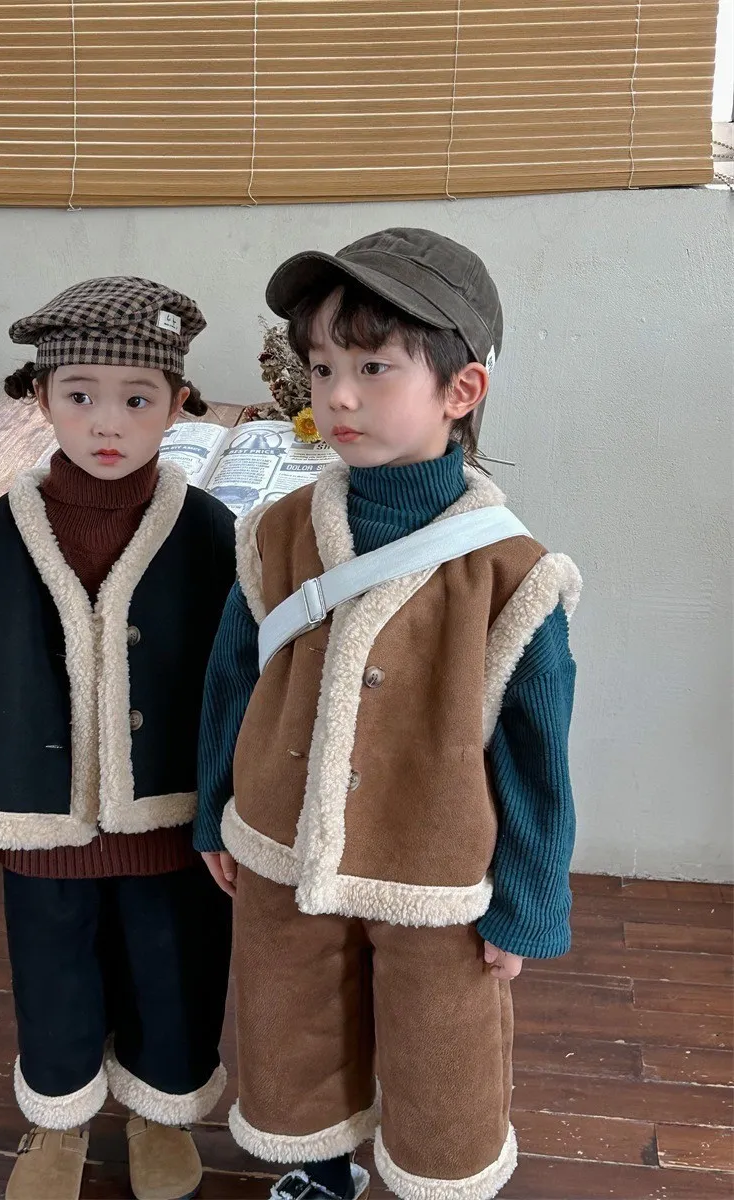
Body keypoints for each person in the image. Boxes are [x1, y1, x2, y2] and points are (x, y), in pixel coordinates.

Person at [196, 229, 581, 1200]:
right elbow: (230, 680)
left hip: (435, 870)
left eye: (373, 367)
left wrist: (530, 898)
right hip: (282, 843)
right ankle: (323, 1170)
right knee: (292, 1027)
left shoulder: (514, 576)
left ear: (461, 390)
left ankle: (433, 1181)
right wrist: (213, 810)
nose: (339, 395)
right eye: (324, 366)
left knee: (443, 1053)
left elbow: (537, 753)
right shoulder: (276, 533)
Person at [0, 276, 235, 1200]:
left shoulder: (211, 533)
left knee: (174, 967)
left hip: (171, 812)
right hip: (37, 813)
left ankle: (160, 1116)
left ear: (177, 403)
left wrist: (233, 804)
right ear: (41, 397)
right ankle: (58, 1122)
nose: (107, 423)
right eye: (80, 395)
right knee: (52, 973)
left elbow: (233, 683)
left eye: (137, 399)